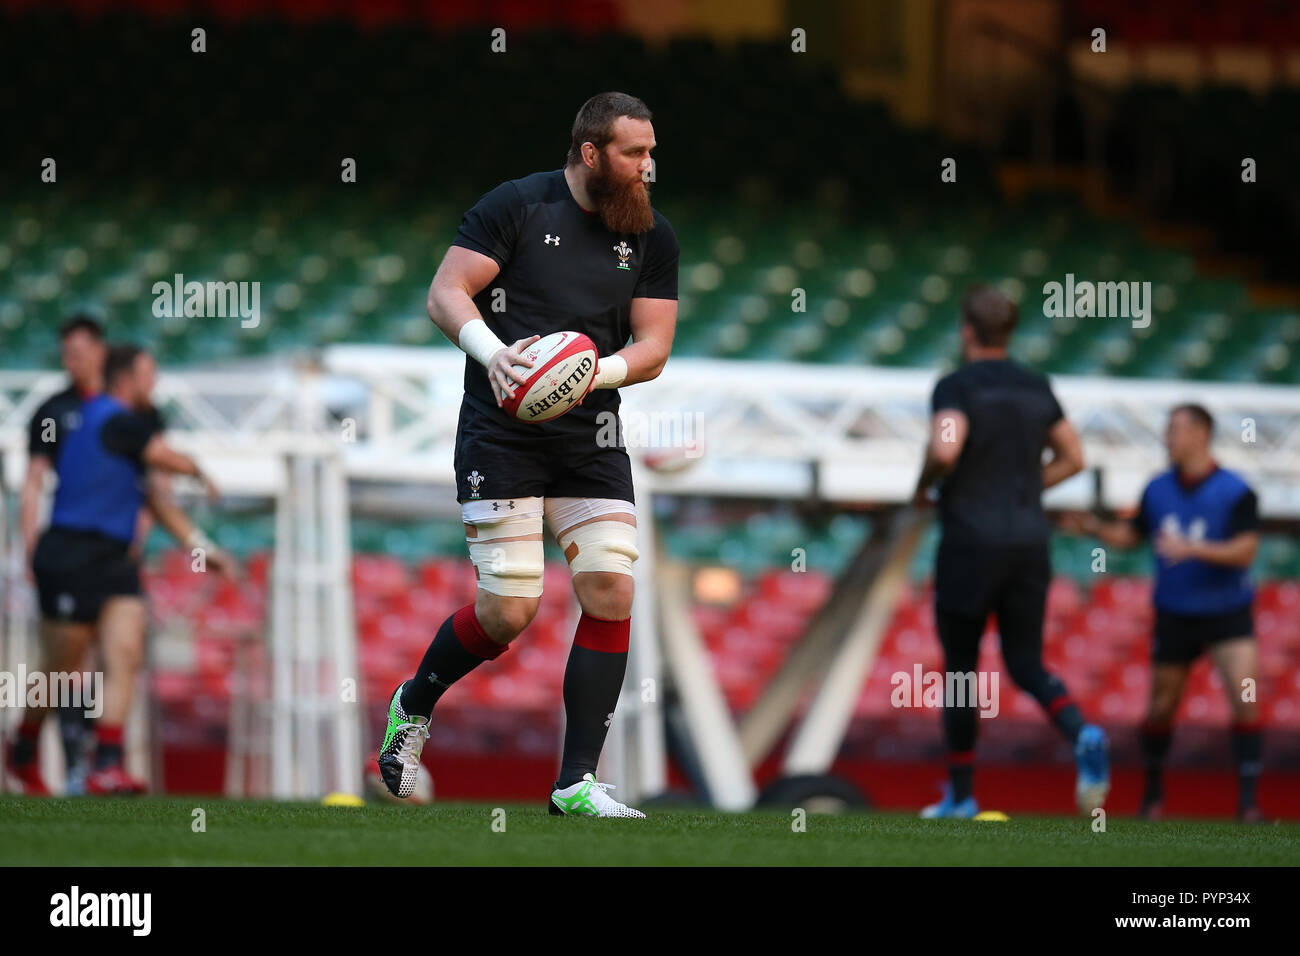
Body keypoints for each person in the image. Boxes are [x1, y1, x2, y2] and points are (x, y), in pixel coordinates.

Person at [378, 92, 679, 818]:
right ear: (590, 154)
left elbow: (655, 348)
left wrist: (589, 372)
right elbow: (445, 292)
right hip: (500, 428)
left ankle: (575, 783)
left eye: (652, 153)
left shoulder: (652, 236)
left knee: (612, 589)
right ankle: (413, 703)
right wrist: (494, 354)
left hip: (592, 433)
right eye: (635, 154)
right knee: (509, 611)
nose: (648, 167)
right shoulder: (515, 206)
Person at [5, 344, 236, 795]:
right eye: (149, 373)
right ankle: (23, 746)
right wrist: (198, 471)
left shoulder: (126, 432)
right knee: (61, 667)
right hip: (71, 552)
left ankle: (105, 765)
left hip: (114, 559)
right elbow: (166, 460)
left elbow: (154, 498)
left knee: (124, 654)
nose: (154, 383)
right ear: (125, 378)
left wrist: (201, 546)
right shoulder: (111, 418)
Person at [913, 285, 1109, 818]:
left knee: (960, 671)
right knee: (1025, 663)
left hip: (971, 541)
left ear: (967, 331)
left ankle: (961, 795)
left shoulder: (956, 385)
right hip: (1028, 540)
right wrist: (1024, 487)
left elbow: (946, 448)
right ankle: (1082, 731)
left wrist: (924, 482)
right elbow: (1074, 456)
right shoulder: (1036, 385)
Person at [1060, 404, 1262, 822]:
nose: (1168, 438)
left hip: (1228, 613)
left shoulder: (1236, 490)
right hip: (1175, 613)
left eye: (1176, 430)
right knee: (1160, 708)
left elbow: (1246, 550)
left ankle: (1248, 804)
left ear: (1202, 434)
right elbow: (1134, 536)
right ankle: (1152, 796)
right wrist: (1094, 530)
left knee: (1246, 696)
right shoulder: (1157, 490)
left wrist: (1192, 549)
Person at [19, 315, 107, 793]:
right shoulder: (54, 412)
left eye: (78, 351)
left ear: (99, 350)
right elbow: (34, 480)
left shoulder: (119, 408)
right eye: (65, 353)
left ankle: (67, 755)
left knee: (104, 653)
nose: (70, 361)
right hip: (66, 552)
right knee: (68, 658)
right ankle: (73, 763)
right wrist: (31, 548)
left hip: (109, 553)